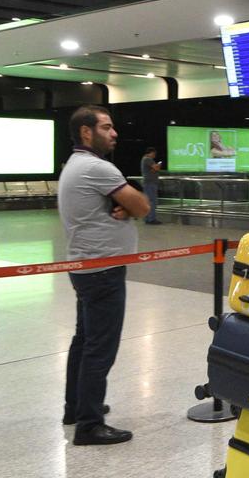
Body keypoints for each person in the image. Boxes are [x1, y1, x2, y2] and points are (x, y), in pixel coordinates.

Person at [60, 105, 150, 445]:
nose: (114, 133)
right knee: (100, 348)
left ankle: (76, 407)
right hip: (103, 270)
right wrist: (131, 204)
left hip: (86, 267)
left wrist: (124, 204)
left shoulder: (75, 165)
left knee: (83, 341)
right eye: (107, 127)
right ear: (87, 132)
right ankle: (89, 424)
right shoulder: (97, 167)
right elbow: (143, 206)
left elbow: (128, 204)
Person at [140, 147, 162, 225]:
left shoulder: (145, 159)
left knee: (149, 201)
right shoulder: (148, 159)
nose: (154, 156)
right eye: (154, 154)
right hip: (150, 183)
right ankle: (151, 219)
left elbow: (153, 170)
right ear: (151, 153)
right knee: (152, 201)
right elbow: (156, 168)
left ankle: (149, 218)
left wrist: (156, 168)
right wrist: (158, 165)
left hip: (149, 183)